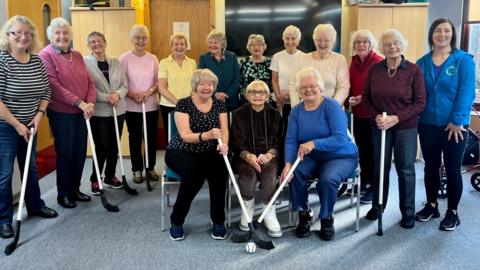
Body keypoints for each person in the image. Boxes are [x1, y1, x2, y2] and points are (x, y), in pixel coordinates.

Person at [280, 67, 358, 240]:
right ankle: (304, 213)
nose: (308, 90)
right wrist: (287, 164)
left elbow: (340, 138)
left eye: (312, 86)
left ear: (321, 87)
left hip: (340, 155)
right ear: (299, 91)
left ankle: (326, 217)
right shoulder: (296, 111)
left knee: (328, 179)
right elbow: (291, 140)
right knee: (295, 173)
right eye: (304, 87)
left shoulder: (332, 107)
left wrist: (313, 143)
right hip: (312, 156)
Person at [0, 15, 58, 239]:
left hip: (30, 125)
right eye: (18, 33)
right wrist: (17, 125)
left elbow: (46, 91)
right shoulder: (3, 61)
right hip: (6, 127)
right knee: (4, 174)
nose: (23, 37)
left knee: (30, 169)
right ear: (9, 36)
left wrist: (39, 115)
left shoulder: (36, 61)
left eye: (28, 33)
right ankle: (4, 219)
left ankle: (35, 206)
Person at [415, 18, 476, 231]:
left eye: (447, 31)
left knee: (452, 169)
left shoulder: (463, 60)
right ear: (431, 34)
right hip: (427, 123)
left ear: (453, 34)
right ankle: (432, 205)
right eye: (438, 31)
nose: (442, 35)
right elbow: (415, 93)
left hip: (456, 127)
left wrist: (458, 119)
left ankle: (453, 212)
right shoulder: (422, 62)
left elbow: (466, 91)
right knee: (430, 167)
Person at [363, 29, 426, 229]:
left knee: (405, 169)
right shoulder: (375, 70)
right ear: (382, 47)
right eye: (388, 44)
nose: (392, 47)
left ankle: (408, 212)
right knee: (379, 168)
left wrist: (396, 118)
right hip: (380, 126)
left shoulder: (413, 70)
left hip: (405, 128)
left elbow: (420, 103)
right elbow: (366, 98)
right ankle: (377, 205)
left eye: (396, 43)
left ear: (402, 45)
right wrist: (377, 118)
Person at [165, 69, 229, 241]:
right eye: (202, 83)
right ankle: (176, 220)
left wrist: (226, 145)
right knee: (194, 175)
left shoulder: (219, 104)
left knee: (220, 173)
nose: (206, 87)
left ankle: (218, 220)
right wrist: (206, 135)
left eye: (210, 84)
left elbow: (224, 130)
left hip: (209, 150)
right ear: (195, 85)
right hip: (182, 150)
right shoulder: (183, 104)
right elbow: (185, 135)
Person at [40, 17, 95, 209]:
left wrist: (90, 103)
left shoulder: (77, 55)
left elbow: (90, 81)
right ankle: (63, 193)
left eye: (65, 33)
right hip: (62, 113)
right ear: (51, 36)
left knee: (80, 152)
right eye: (57, 33)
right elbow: (53, 86)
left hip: (83, 112)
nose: (62, 36)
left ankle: (75, 189)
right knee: (66, 153)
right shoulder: (46, 55)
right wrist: (79, 102)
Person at [230, 80, 284, 237]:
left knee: (269, 175)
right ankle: (247, 210)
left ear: (267, 95)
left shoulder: (275, 114)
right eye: (253, 92)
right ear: (247, 95)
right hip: (244, 156)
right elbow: (235, 140)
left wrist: (269, 154)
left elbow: (279, 140)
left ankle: (268, 212)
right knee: (248, 176)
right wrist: (247, 155)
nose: (257, 95)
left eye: (262, 92)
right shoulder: (238, 114)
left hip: (269, 156)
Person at [84, 31, 128, 194]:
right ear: (88, 45)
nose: (97, 44)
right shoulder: (85, 63)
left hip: (118, 111)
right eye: (93, 41)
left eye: (100, 41)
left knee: (114, 146)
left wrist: (117, 95)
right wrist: (107, 97)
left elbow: (124, 84)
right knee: (101, 147)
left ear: (105, 43)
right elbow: (88, 88)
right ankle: (95, 179)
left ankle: (110, 176)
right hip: (100, 113)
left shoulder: (115, 62)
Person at [120, 24, 160, 184]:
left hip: (150, 104)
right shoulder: (124, 58)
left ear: (147, 39)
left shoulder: (153, 58)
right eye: (137, 37)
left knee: (150, 137)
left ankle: (150, 168)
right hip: (131, 105)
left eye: (144, 38)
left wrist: (148, 92)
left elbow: (158, 82)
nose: (141, 40)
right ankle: (136, 169)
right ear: (132, 39)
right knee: (135, 138)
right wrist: (132, 94)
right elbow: (121, 82)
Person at [347, 29, 383, 203]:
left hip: (373, 115)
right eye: (357, 42)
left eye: (365, 42)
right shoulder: (353, 63)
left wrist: (363, 97)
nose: (361, 45)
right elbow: (349, 85)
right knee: (363, 152)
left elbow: (381, 89)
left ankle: (375, 188)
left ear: (371, 44)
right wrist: (350, 100)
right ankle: (366, 181)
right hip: (358, 114)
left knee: (374, 153)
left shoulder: (378, 62)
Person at [290, 24, 350, 107]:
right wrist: (296, 108)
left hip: (330, 110)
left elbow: (343, 87)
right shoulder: (303, 59)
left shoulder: (339, 59)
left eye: (326, 40)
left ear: (332, 41)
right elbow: (293, 85)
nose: (322, 43)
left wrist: (332, 106)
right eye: (319, 40)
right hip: (306, 109)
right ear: (314, 40)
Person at [158, 33, 196, 137]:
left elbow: (195, 86)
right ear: (171, 47)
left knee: (188, 135)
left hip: (189, 106)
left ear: (186, 46)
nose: (179, 47)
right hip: (169, 106)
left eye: (182, 44)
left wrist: (186, 102)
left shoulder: (192, 63)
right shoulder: (164, 63)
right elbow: (161, 87)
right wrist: (178, 102)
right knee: (172, 136)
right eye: (176, 44)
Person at [270, 25, 305, 128]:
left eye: (293, 38)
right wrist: (278, 96)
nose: (290, 42)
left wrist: (290, 93)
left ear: (298, 41)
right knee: (282, 128)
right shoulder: (277, 57)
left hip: (298, 99)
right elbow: (274, 79)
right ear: (283, 40)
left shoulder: (304, 57)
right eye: (287, 38)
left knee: (296, 127)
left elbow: (304, 80)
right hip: (281, 101)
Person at [199, 30, 240, 111]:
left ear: (222, 44)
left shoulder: (232, 56)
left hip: (231, 101)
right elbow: (202, 79)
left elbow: (237, 78)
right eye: (210, 42)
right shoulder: (204, 58)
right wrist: (215, 94)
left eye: (215, 42)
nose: (212, 45)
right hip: (210, 100)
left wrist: (227, 94)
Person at [239, 34, 271, 103]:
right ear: (249, 48)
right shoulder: (243, 62)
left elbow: (273, 83)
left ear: (264, 47)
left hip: (265, 100)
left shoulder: (270, 63)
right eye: (253, 45)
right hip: (247, 100)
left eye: (259, 45)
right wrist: (247, 96)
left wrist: (264, 96)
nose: (256, 47)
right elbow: (239, 82)